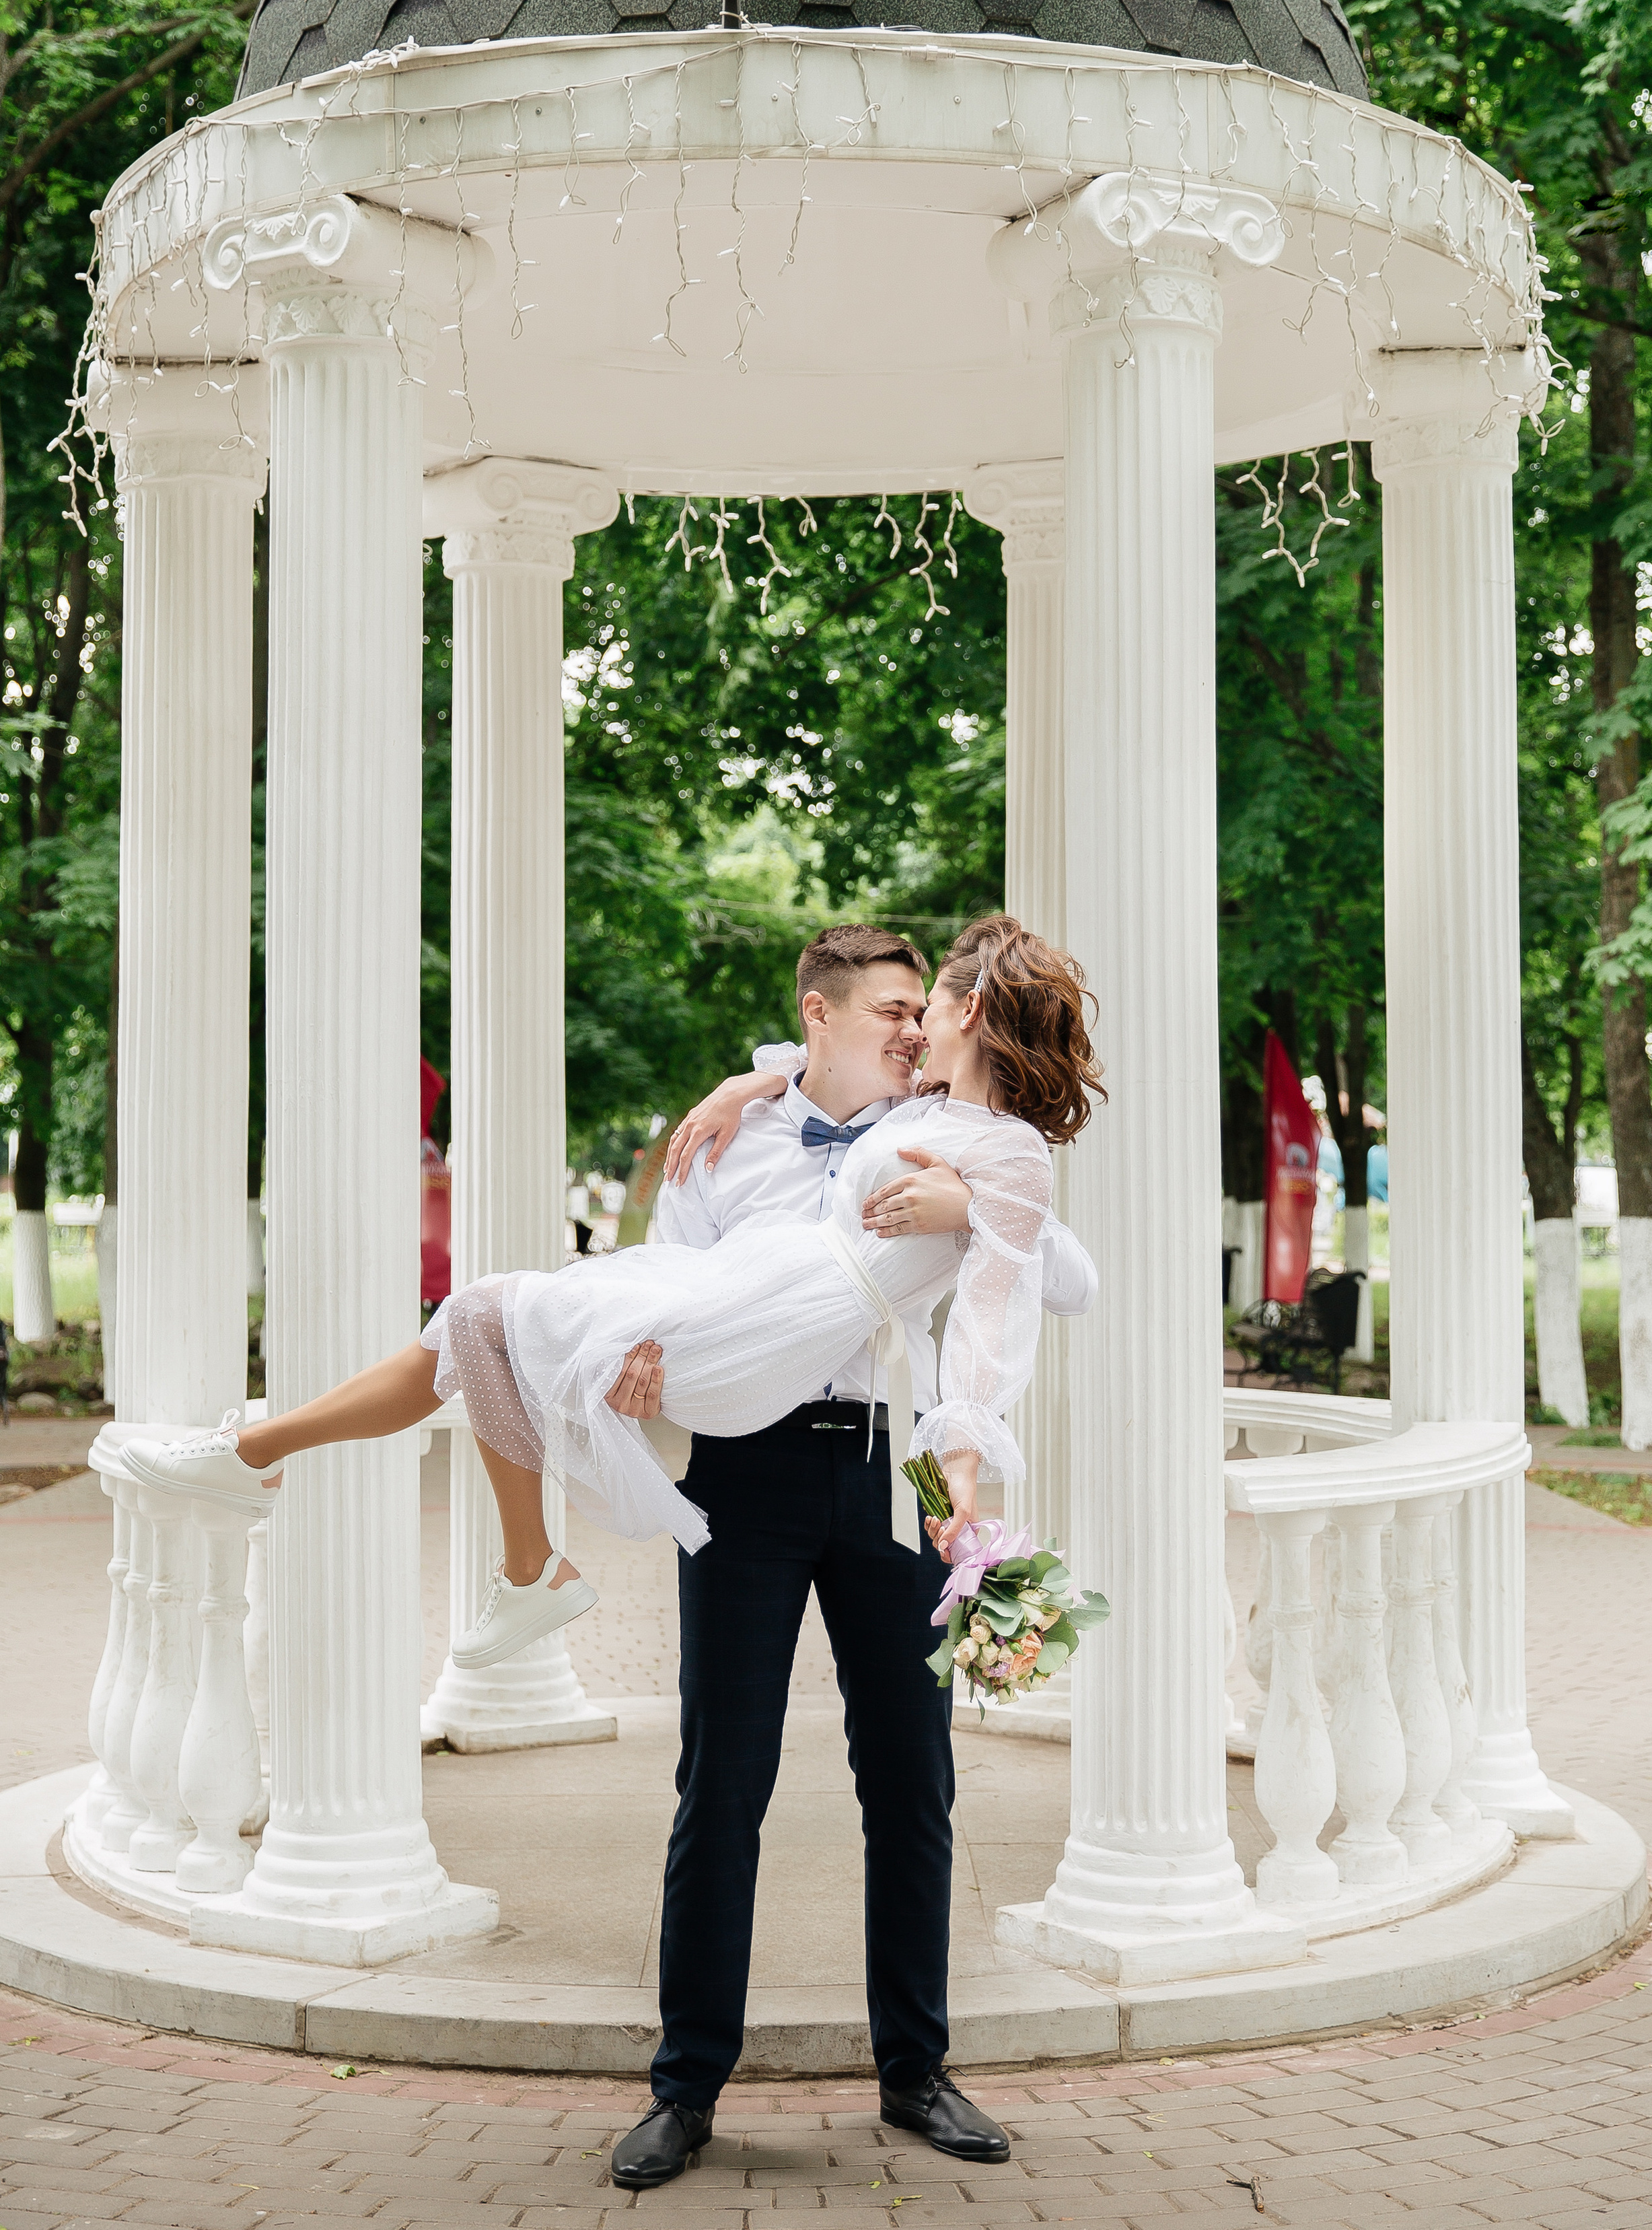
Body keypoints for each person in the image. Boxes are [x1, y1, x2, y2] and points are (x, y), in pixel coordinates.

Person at [119, 913, 1102, 2180]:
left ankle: (916, 2071)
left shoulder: (943, 1120)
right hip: (748, 1463)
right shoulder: (727, 1137)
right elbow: (678, 1281)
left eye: (928, 1011)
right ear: (819, 1014)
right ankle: (686, 2088)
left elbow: (1055, 1270)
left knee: (914, 1784)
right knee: (721, 1781)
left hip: (896, 1460)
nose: (915, 1030)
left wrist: (965, 1204)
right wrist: (655, 1351)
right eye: (891, 1012)